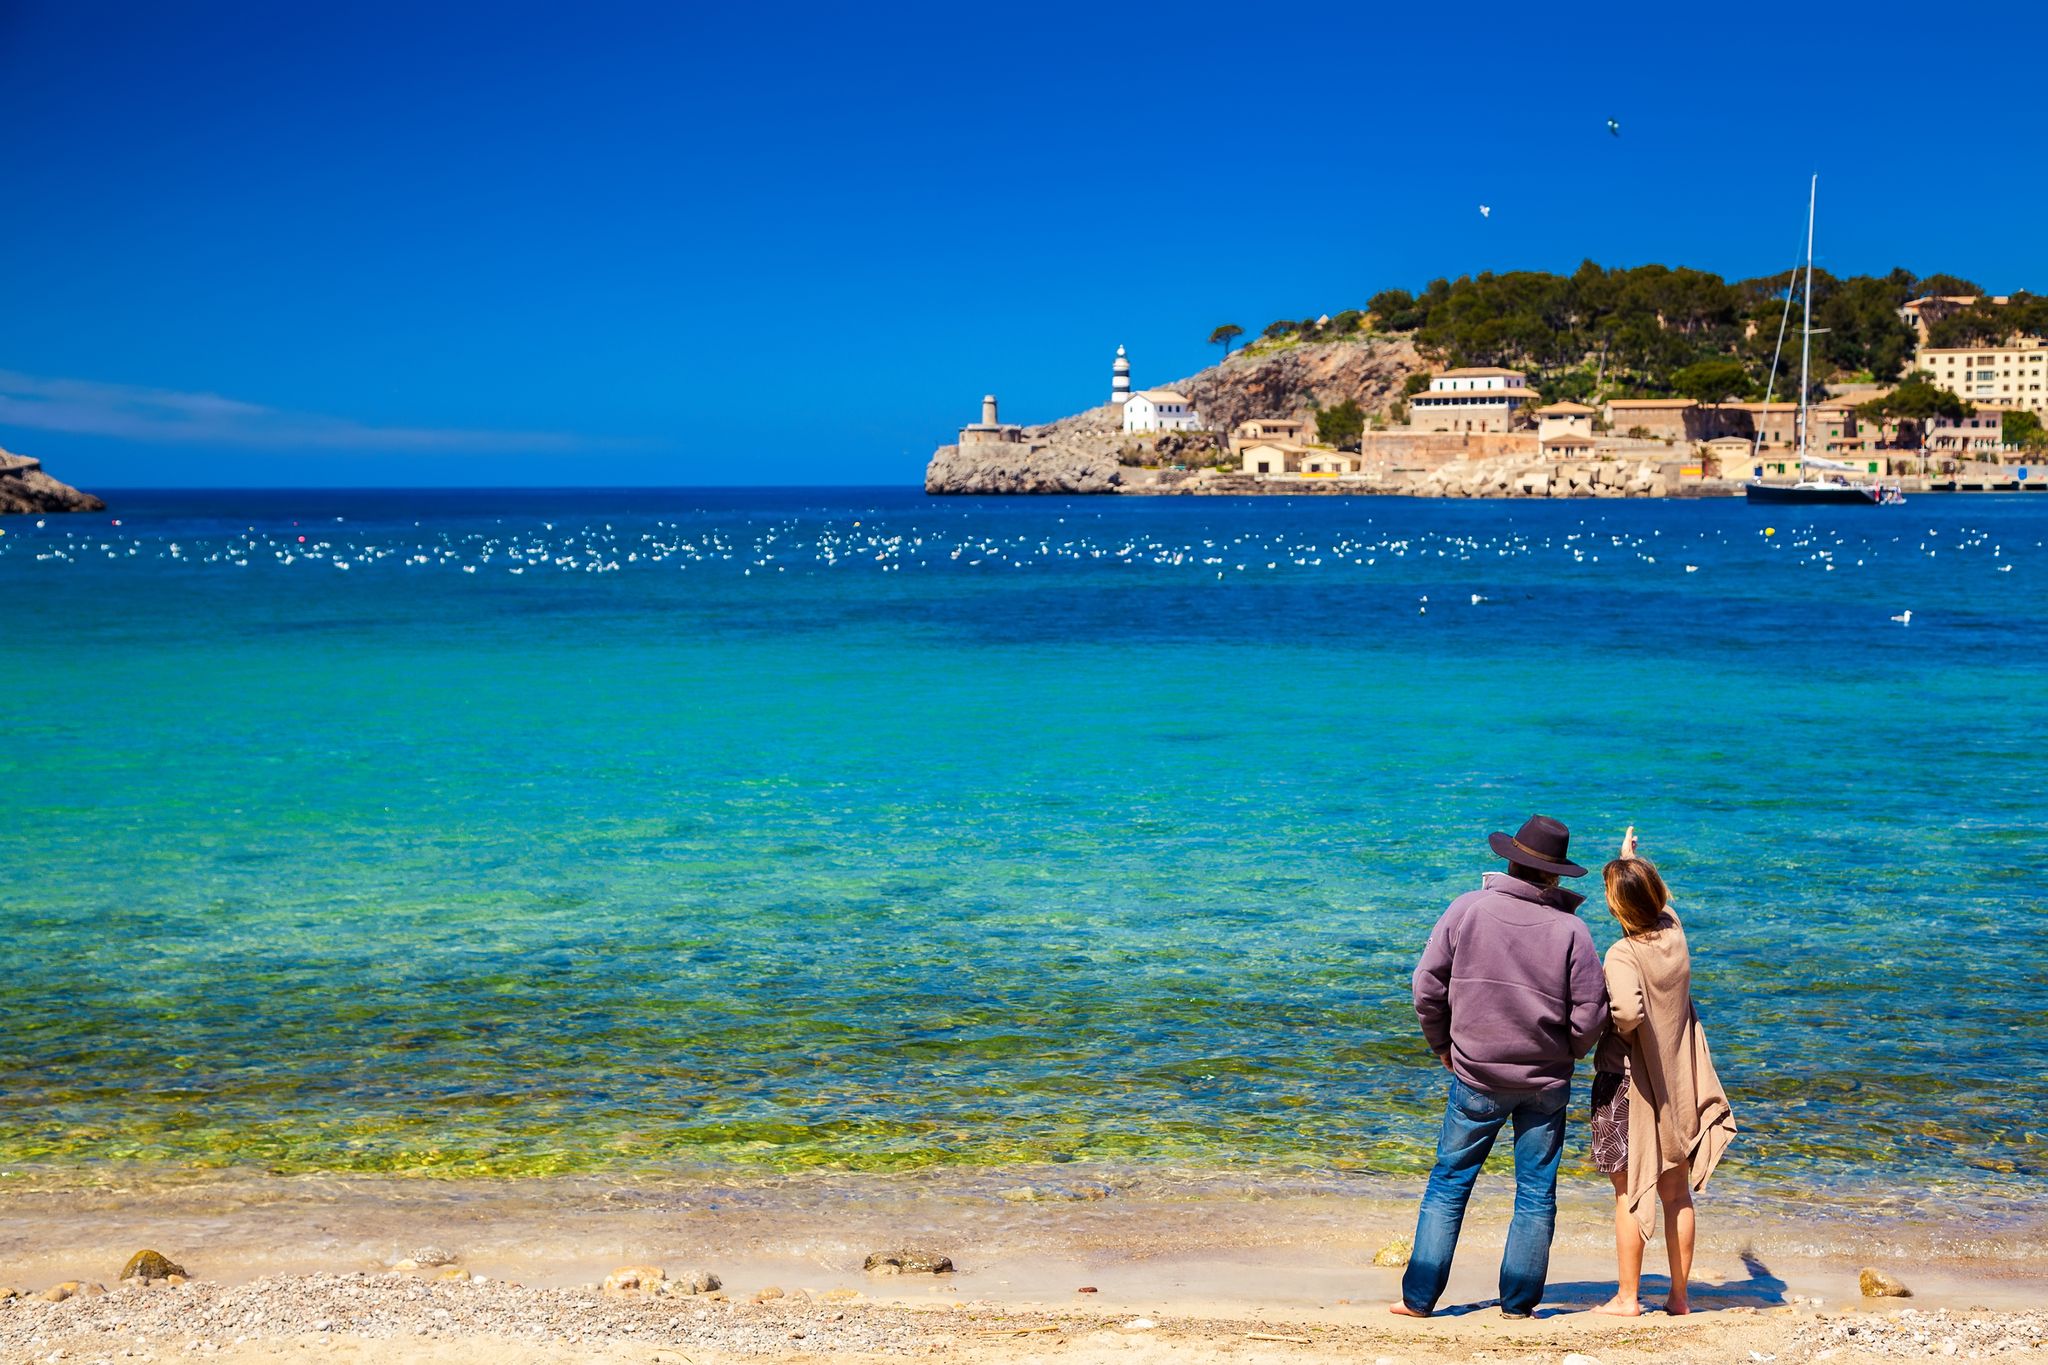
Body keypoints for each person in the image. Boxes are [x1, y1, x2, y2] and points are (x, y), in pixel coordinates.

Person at [1393, 815, 1610, 1320]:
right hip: (1546, 1081)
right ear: (1555, 875)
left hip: (1475, 1074)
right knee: (1536, 1192)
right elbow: (1591, 1011)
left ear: (1511, 860)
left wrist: (1443, 1044)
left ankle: (1418, 1300)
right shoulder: (1572, 930)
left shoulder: (1467, 909)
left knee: (1449, 1182)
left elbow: (1426, 986)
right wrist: (1569, 1051)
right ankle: (1518, 1306)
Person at [1589, 826, 1737, 1317]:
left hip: (1629, 1084)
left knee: (1629, 1192)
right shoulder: (1674, 933)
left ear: (1618, 909)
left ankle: (1628, 1298)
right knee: (1677, 1194)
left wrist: (1607, 1022)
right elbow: (1660, 900)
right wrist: (1630, 859)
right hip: (1678, 1081)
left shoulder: (1621, 954)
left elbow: (1628, 1013)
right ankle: (1679, 1297)